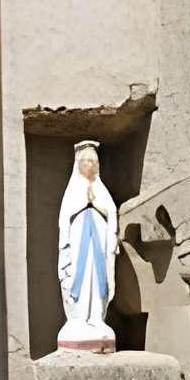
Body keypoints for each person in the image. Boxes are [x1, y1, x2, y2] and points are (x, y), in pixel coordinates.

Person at [57, 141, 118, 351]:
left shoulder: (102, 190)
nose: (90, 165)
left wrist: (96, 203)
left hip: (98, 248)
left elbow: (112, 214)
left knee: (97, 280)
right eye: (85, 161)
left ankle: (96, 317)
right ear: (78, 164)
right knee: (78, 279)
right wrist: (85, 203)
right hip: (77, 248)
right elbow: (64, 218)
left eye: (93, 161)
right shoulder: (73, 190)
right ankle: (77, 318)